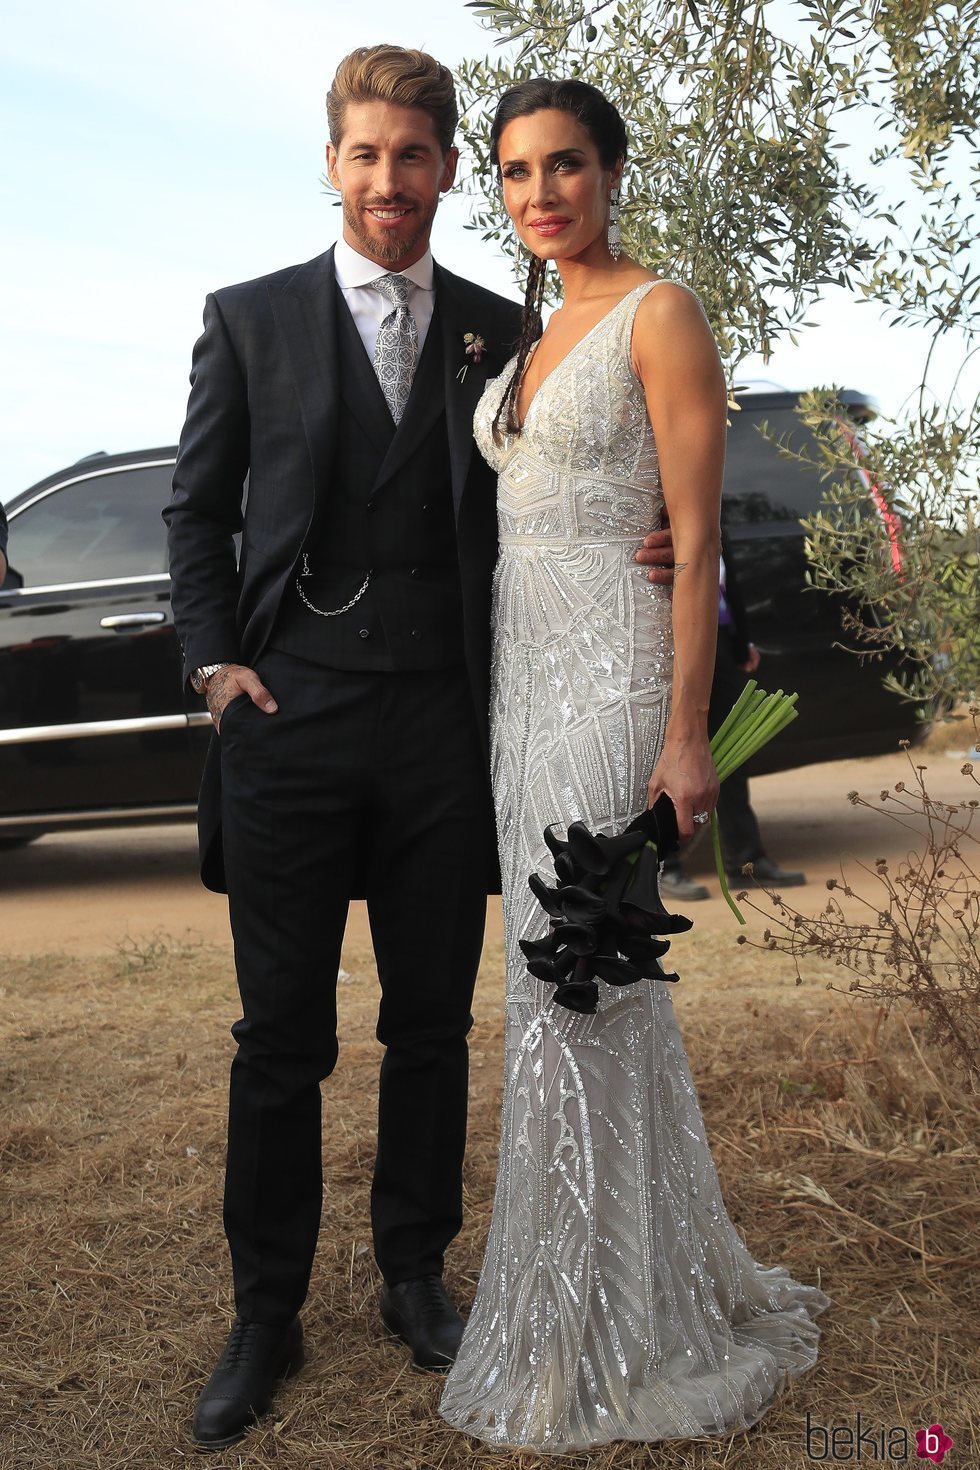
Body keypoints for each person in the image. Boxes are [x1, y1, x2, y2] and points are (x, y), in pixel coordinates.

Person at [164, 46, 673, 1450]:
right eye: (366, 153)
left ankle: (412, 1272)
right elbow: (194, 509)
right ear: (333, 164)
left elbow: (594, 456)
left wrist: (666, 532)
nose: (391, 180)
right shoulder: (250, 319)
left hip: (450, 728)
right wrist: (217, 665)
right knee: (279, 1037)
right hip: (291, 724)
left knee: (431, 1025)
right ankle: (265, 1309)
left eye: (417, 154)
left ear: (451, 168)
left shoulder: (508, 327)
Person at [438, 79, 829, 1453]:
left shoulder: (659, 312)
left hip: (611, 697)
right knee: (572, 1004)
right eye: (516, 172)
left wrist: (680, 732)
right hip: (520, 700)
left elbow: (695, 538)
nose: (541, 192)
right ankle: (620, 1286)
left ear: (611, 172)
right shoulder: (532, 333)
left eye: (566, 166)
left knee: (579, 988)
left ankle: (597, 1325)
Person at [660, 539, 807, 902]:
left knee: (732, 751)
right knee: (670, 753)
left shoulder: (717, 508)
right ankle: (666, 865)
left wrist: (741, 642)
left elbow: (724, 575)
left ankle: (747, 861)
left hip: (719, 639)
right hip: (670, 637)